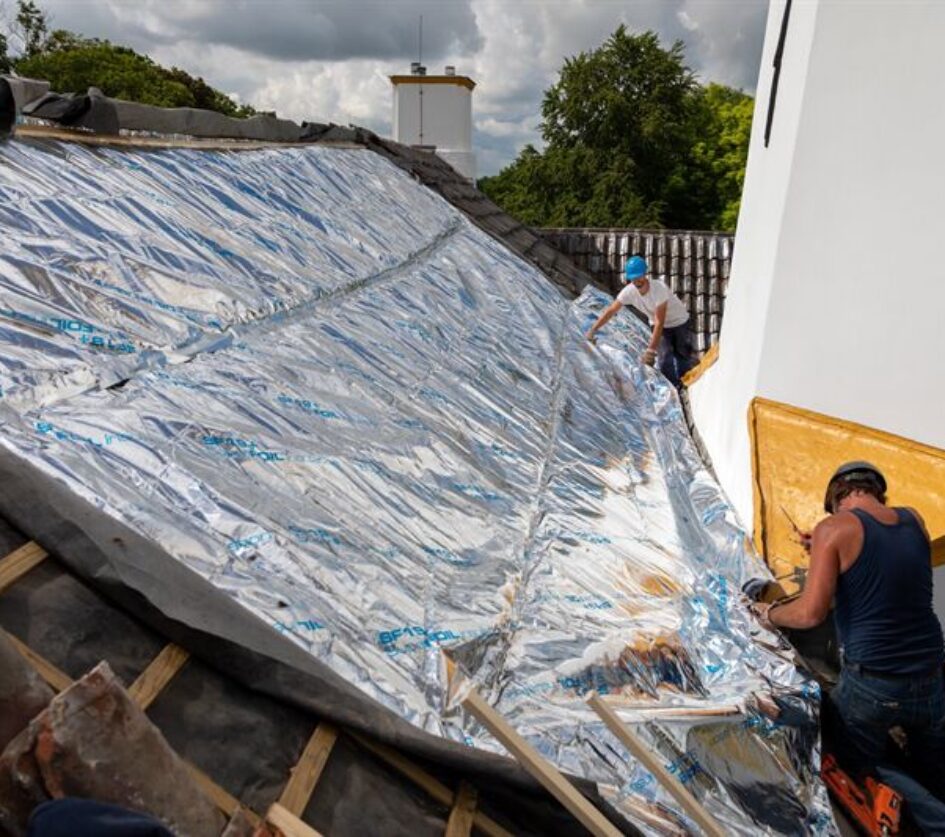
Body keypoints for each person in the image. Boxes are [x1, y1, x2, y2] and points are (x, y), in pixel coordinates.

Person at [750, 461, 945, 832]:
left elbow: (810, 613)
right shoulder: (914, 520)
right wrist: (825, 547)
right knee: (934, 765)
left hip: (875, 685)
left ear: (834, 499)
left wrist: (769, 613)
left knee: (853, 756)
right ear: (877, 491)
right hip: (931, 678)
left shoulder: (833, 529)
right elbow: (884, 562)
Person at [585, 255, 695, 387]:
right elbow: (611, 311)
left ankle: (687, 385)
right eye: (633, 278)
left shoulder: (658, 289)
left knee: (682, 354)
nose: (637, 281)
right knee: (664, 359)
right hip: (659, 325)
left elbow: (660, 321)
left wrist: (650, 350)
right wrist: (593, 329)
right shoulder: (629, 292)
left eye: (639, 277)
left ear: (645, 274)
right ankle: (674, 387)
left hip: (679, 322)